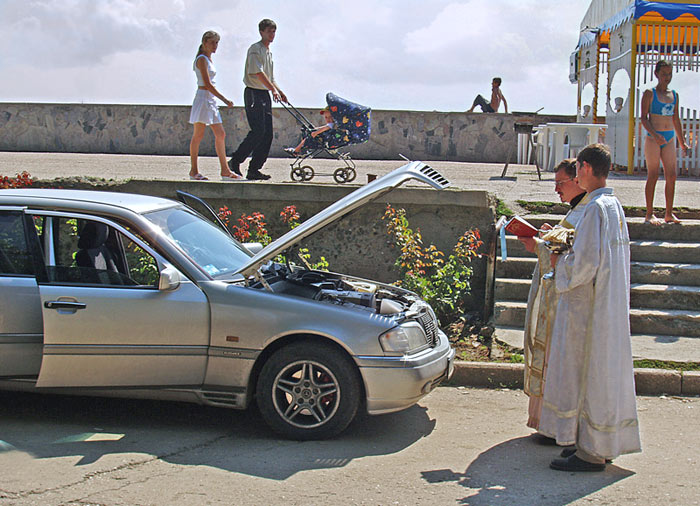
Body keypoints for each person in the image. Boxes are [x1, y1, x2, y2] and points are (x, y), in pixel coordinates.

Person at [540, 144, 641, 472]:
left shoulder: (596, 208)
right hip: (605, 305)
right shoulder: (612, 205)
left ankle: (592, 453)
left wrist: (558, 263)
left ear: (584, 167)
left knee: (585, 374)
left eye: (577, 168)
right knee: (594, 376)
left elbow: (584, 266)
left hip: (587, 307)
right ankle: (592, 443)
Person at [517, 159, 586, 443]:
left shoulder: (586, 213)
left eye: (561, 183)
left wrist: (538, 246)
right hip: (555, 298)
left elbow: (573, 259)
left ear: (578, 180)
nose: (556, 189)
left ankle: (553, 425)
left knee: (556, 364)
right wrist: (547, 235)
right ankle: (545, 422)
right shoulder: (576, 211)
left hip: (566, 303)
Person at [227, 19, 288, 181]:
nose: (272, 34)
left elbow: (270, 77)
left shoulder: (269, 53)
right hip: (254, 93)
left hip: (265, 94)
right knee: (258, 130)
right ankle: (236, 161)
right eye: (269, 31)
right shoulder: (255, 49)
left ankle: (254, 169)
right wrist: (272, 89)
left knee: (267, 134)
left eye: (274, 31)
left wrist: (279, 91)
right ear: (261, 32)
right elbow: (257, 73)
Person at [641, 60, 690, 225]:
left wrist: (682, 142)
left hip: (669, 138)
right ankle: (649, 213)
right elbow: (644, 118)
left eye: (669, 74)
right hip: (653, 138)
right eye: (663, 74)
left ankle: (669, 213)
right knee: (653, 175)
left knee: (672, 175)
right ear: (656, 74)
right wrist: (655, 134)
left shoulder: (674, 94)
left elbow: (676, 119)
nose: (667, 77)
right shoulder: (649, 93)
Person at [188, 30, 242, 182]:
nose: (215, 46)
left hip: (210, 100)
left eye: (216, 42)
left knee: (220, 134)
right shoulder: (201, 59)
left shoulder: (208, 59)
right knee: (198, 135)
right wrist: (225, 99)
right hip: (203, 99)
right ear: (205, 42)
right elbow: (207, 84)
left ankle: (225, 170)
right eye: (212, 42)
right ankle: (194, 170)